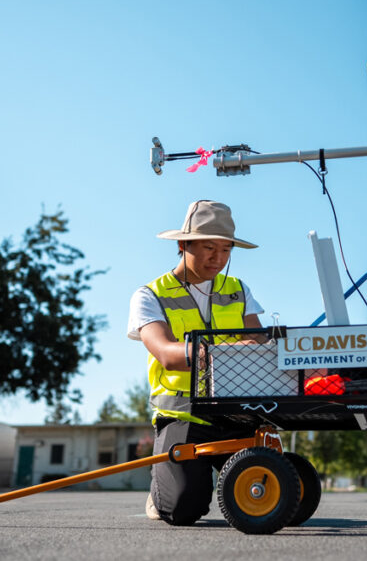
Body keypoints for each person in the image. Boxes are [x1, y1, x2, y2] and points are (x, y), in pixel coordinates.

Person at [126, 200, 265, 525]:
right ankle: (163, 485)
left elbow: (259, 341)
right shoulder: (150, 295)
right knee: (182, 510)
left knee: (277, 492)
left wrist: (256, 344)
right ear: (183, 244)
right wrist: (218, 353)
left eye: (226, 249)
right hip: (182, 414)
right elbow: (164, 352)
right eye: (208, 248)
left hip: (236, 413)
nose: (217, 258)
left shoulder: (239, 290)